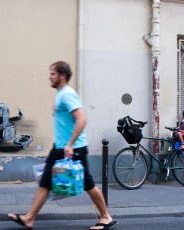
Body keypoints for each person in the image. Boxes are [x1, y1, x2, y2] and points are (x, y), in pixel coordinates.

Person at [7, 61, 116, 230]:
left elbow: (82, 119)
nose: (49, 77)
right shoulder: (61, 94)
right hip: (60, 147)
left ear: (62, 75)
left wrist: (70, 144)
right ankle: (29, 218)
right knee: (45, 182)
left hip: (72, 149)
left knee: (87, 183)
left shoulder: (67, 94)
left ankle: (105, 216)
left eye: (52, 74)